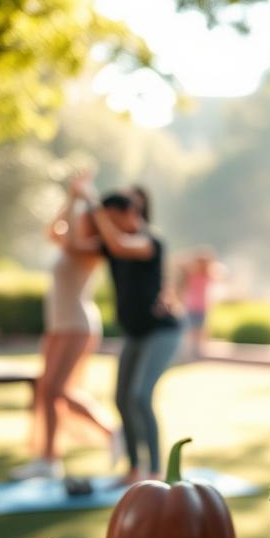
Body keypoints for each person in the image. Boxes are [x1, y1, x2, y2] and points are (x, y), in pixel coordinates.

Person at [74, 183, 182, 485]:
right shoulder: (111, 246)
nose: (103, 223)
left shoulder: (150, 241)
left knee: (140, 396)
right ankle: (135, 470)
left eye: (109, 216)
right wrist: (74, 200)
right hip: (135, 333)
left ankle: (158, 472)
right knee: (121, 398)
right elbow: (70, 242)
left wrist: (93, 202)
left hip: (162, 331)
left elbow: (121, 243)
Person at [12, 172, 118, 480]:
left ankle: (112, 431)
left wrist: (85, 199)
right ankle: (48, 459)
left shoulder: (93, 249)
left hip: (77, 323)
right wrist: (72, 198)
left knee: (59, 389)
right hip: (60, 324)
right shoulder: (73, 242)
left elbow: (68, 239)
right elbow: (52, 231)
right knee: (46, 390)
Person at [177, 247, 224, 361]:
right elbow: (180, 263)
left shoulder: (208, 275)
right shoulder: (191, 274)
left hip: (202, 307)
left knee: (200, 331)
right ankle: (188, 354)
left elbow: (221, 274)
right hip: (191, 306)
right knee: (190, 331)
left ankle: (197, 353)